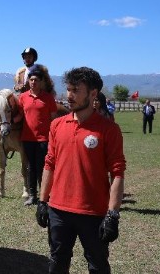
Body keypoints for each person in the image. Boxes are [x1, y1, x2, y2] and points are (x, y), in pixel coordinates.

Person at [36, 67, 126, 274]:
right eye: (68, 89)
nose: (69, 95)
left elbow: (117, 172)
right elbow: (49, 163)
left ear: (93, 94)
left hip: (93, 212)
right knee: (57, 262)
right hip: (58, 210)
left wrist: (113, 214)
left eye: (75, 90)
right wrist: (43, 201)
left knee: (98, 265)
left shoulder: (108, 129)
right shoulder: (57, 125)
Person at [15, 69, 58, 206]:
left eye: (36, 80)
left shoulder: (48, 98)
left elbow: (53, 119)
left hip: (44, 139)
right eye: (31, 80)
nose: (33, 82)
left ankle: (44, 196)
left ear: (41, 82)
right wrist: (7, 121)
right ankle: (33, 195)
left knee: (42, 167)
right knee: (31, 167)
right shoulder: (23, 97)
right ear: (28, 81)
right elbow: (20, 116)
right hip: (27, 138)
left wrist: (54, 136)